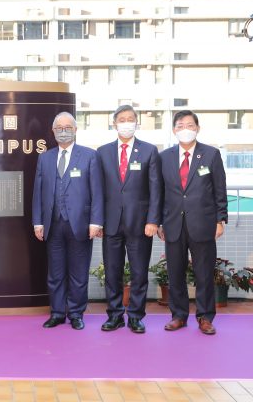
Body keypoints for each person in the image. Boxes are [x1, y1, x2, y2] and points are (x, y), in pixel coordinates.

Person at [32, 112, 104, 330]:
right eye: (59, 127)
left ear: (75, 130)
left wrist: (96, 222)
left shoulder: (89, 156)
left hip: (80, 224)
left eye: (68, 127)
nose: (64, 131)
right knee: (55, 273)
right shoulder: (45, 157)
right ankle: (56, 312)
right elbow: (38, 191)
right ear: (53, 131)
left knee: (78, 272)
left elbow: (97, 191)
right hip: (52, 224)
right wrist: (38, 222)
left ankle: (75, 313)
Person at [158, 110, 227, 335]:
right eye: (180, 125)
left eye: (190, 124)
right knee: (175, 273)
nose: (185, 128)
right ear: (174, 130)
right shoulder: (164, 156)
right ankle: (179, 315)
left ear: (197, 128)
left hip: (204, 223)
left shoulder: (211, 154)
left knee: (204, 274)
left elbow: (219, 189)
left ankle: (205, 317)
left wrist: (220, 219)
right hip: (172, 224)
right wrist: (158, 222)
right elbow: (158, 192)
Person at [96, 105, 162, 334]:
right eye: (122, 119)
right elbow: (98, 190)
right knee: (112, 272)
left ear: (137, 123)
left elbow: (156, 189)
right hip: (111, 223)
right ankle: (114, 315)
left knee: (139, 272)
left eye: (130, 119)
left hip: (141, 223)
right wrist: (97, 221)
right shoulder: (102, 152)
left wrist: (153, 220)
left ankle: (135, 316)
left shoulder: (149, 151)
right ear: (114, 124)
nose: (126, 123)